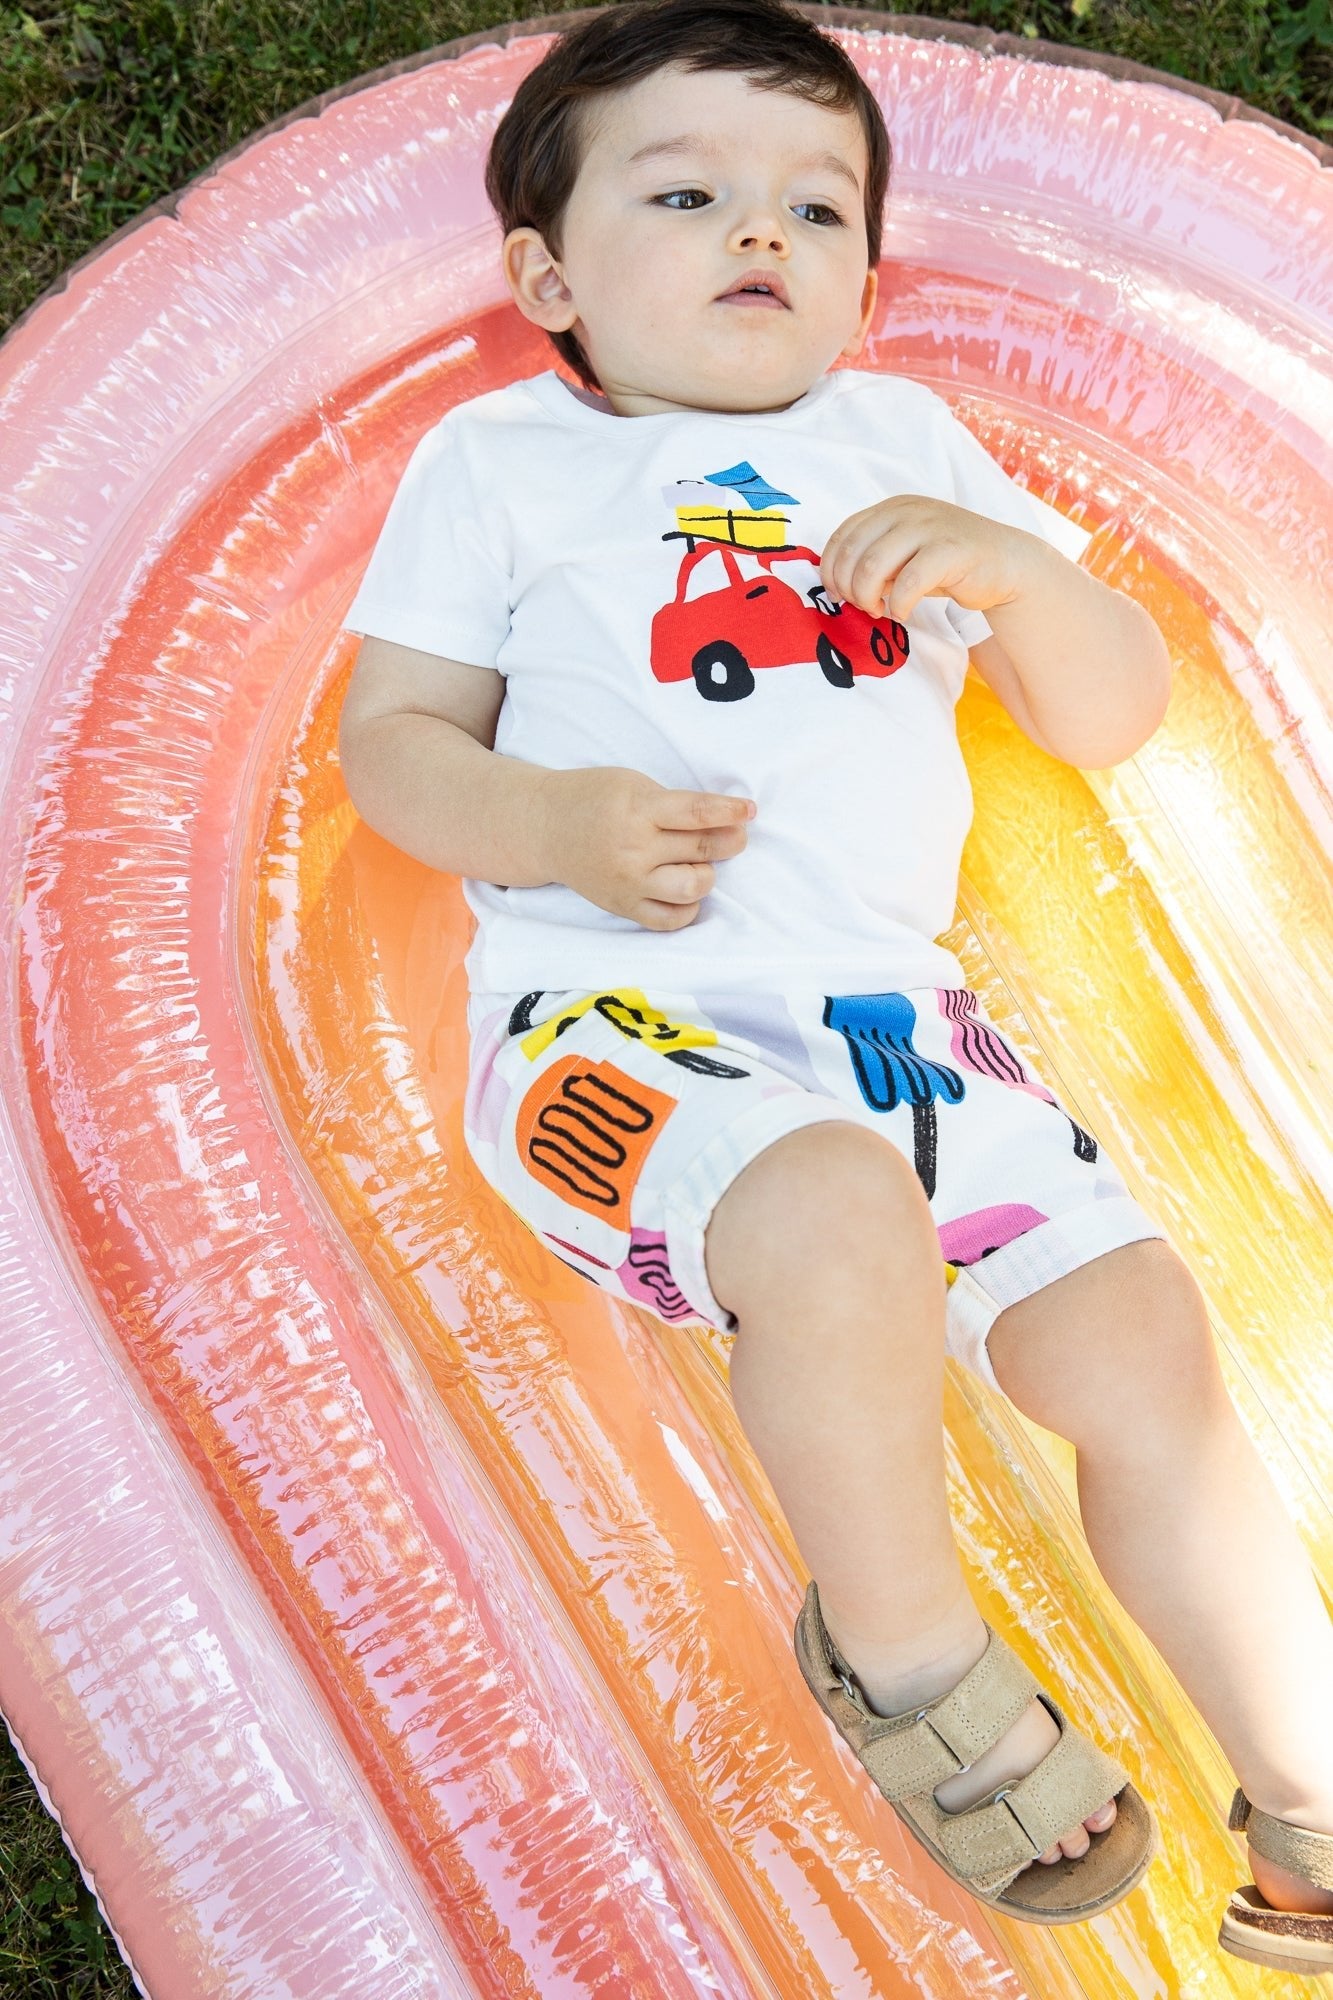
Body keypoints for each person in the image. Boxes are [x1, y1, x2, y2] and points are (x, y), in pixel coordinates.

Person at [337, 0, 1333, 1962]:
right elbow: (394, 747)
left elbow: (1108, 711)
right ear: (548, 274)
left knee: (1137, 1344)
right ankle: (904, 1655)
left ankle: (1304, 1793)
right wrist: (555, 826)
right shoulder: (505, 462)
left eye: (815, 204)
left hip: (901, 1030)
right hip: (609, 1039)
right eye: (688, 191)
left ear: (866, 281)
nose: (759, 232)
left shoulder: (906, 446)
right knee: (828, 1222)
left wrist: (1026, 577)